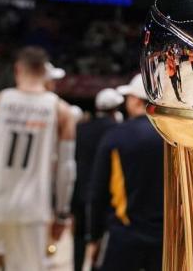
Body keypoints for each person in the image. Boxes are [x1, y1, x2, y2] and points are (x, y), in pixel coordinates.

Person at [0, 46, 77, 271]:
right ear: (44, 72)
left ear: (17, 69)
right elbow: (66, 169)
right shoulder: (62, 111)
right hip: (32, 209)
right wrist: (62, 213)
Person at [86, 75, 163, 271]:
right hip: (168, 239)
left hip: (124, 237)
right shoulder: (176, 137)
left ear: (136, 100)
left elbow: (98, 192)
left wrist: (94, 236)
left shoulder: (116, 136)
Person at [72, 88, 123, 271]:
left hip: (80, 191)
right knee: (101, 241)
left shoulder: (81, 128)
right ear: (116, 108)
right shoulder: (117, 131)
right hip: (105, 194)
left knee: (79, 238)